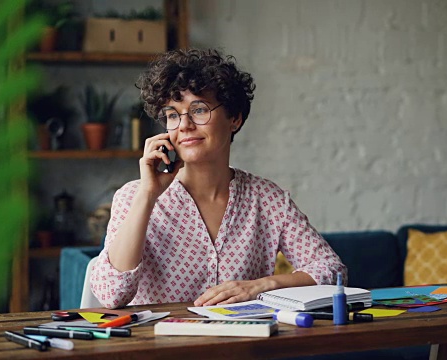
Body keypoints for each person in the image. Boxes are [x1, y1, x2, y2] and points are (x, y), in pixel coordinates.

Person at [90, 48, 346, 309]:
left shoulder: (268, 199)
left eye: (199, 110)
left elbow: (332, 270)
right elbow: (111, 295)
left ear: (234, 118)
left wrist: (262, 285)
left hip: (245, 345)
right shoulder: (134, 196)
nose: (185, 125)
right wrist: (147, 195)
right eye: (173, 115)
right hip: (160, 345)